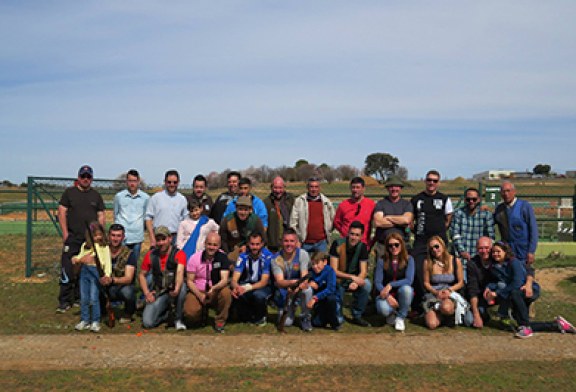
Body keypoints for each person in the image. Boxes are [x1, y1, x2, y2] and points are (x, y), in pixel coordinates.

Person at [485, 241, 575, 338]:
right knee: (521, 323)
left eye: (498, 251)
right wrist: (489, 288)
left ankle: (525, 327)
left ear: (505, 252)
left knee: (515, 295)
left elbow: (517, 282)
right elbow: (498, 281)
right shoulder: (495, 267)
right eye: (493, 252)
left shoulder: (514, 263)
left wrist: (497, 293)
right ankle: (557, 325)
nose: (495, 254)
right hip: (515, 293)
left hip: (528, 290)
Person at [57, 165, 105, 313]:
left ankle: (79, 297)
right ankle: (64, 300)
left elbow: (101, 215)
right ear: (78, 178)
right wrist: (65, 232)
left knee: (85, 269)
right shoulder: (69, 193)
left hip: (89, 240)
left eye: (88, 177)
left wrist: (100, 234)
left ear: (91, 179)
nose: (85, 179)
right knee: (67, 268)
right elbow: (62, 211)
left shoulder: (96, 195)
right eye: (83, 176)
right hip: (73, 237)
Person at [411, 170, 453, 313]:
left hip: (439, 242)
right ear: (425, 181)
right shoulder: (416, 199)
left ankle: (443, 301)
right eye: (429, 180)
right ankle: (421, 303)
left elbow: (448, 219)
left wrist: (438, 233)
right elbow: (411, 221)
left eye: (435, 181)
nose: (432, 183)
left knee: (439, 272)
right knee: (418, 271)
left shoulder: (444, 199)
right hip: (421, 242)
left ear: (438, 183)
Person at [138, 226, 188, 330]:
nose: (161, 243)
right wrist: (147, 293)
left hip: (175, 291)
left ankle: (178, 319)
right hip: (160, 292)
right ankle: (166, 316)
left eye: (163, 239)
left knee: (183, 287)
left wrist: (177, 288)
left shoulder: (179, 254)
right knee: (148, 323)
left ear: (170, 238)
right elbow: (141, 275)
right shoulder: (151, 255)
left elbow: (180, 272)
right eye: (158, 240)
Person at [183, 232, 232, 333]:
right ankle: (200, 316)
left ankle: (220, 321)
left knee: (226, 293)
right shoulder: (194, 258)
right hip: (198, 289)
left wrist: (214, 288)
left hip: (216, 289)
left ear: (219, 246)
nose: (211, 247)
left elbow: (224, 279)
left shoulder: (222, 257)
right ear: (204, 244)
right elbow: (189, 281)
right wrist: (199, 294)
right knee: (190, 314)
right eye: (209, 244)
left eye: (215, 245)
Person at [329, 221, 372, 327]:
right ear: (348, 233)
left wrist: (357, 282)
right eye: (352, 234)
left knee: (366, 284)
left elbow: (363, 271)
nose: (353, 237)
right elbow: (334, 270)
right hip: (339, 278)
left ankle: (357, 315)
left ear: (361, 236)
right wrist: (352, 277)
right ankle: (338, 315)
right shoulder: (338, 244)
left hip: (353, 280)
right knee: (338, 321)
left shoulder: (362, 247)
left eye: (357, 235)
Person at [72, 222, 111, 333]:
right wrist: (76, 259)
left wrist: (107, 274)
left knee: (94, 298)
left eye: (100, 235)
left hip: (96, 272)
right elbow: (80, 256)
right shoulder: (85, 246)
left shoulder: (104, 247)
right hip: (85, 271)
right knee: (84, 297)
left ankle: (95, 321)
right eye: (95, 235)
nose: (98, 237)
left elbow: (107, 262)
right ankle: (85, 320)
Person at [271, 228, 313, 332]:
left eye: (292, 241)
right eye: (286, 241)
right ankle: (291, 307)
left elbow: (304, 278)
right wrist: (292, 284)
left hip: (298, 288)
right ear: (281, 242)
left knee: (308, 290)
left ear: (296, 242)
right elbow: (280, 281)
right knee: (286, 323)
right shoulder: (276, 259)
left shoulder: (303, 254)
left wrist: (296, 287)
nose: (289, 244)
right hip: (284, 291)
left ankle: (305, 317)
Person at [422, 236, 467, 329]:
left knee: (446, 307)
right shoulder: (427, 262)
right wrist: (436, 292)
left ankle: (447, 313)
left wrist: (449, 290)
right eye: (431, 248)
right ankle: (441, 315)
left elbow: (461, 282)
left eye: (436, 246)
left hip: (450, 293)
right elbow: (426, 283)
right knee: (432, 324)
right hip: (434, 294)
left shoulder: (455, 260)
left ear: (442, 246)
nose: (434, 250)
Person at [450, 187, 495, 280]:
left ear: (479, 199)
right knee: (463, 282)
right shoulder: (458, 213)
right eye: (468, 199)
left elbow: (491, 237)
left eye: (474, 199)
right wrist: (462, 251)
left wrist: (485, 253)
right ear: (464, 200)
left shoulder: (486, 215)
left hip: (481, 257)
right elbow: (455, 234)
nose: (471, 201)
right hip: (462, 257)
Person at [374, 233, 415, 331]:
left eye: (396, 244)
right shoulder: (382, 260)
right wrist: (387, 296)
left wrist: (391, 285)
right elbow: (378, 282)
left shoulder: (409, 259)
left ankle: (401, 317)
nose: (394, 247)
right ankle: (392, 313)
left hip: (401, 292)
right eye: (390, 245)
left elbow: (409, 280)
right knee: (383, 309)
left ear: (401, 245)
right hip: (385, 293)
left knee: (407, 289)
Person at [230, 232, 273, 326]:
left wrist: (246, 288)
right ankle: (246, 315)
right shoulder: (243, 256)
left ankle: (261, 317)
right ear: (248, 244)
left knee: (258, 295)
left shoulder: (268, 256)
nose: (255, 247)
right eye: (252, 244)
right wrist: (237, 288)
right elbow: (234, 279)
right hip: (247, 284)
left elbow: (264, 281)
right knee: (235, 293)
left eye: (257, 244)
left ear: (262, 244)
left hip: (263, 286)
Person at [99, 224, 138, 324]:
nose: (115, 239)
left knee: (128, 292)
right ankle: (101, 311)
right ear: (108, 236)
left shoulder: (129, 253)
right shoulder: (102, 250)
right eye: (113, 235)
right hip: (104, 285)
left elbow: (128, 278)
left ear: (123, 237)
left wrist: (112, 280)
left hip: (121, 286)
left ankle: (128, 313)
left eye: (118, 236)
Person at [494, 181, 538, 267]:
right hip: (506, 250)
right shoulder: (499, 209)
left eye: (508, 191)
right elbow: (492, 221)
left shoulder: (524, 207)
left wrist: (531, 251)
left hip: (522, 251)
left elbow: (533, 230)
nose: (506, 194)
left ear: (514, 191)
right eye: (503, 191)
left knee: (523, 276)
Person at [372, 175, 413, 261]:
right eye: (391, 187)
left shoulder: (406, 204)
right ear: (387, 188)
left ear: (400, 188)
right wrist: (400, 221)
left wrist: (388, 217)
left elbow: (406, 220)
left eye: (397, 187)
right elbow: (378, 222)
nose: (394, 189)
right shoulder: (381, 203)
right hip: (383, 245)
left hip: (402, 244)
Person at [290, 177, 335, 253]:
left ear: (319, 188)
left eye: (316, 187)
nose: (314, 189)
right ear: (307, 187)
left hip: (321, 242)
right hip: (304, 242)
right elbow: (293, 223)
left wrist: (329, 231)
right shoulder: (299, 201)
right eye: (311, 187)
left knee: (321, 264)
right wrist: (296, 239)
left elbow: (333, 219)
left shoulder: (326, 202)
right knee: (303, 264)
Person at [113, 169, 150, 262]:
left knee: (133, 263)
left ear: (138, 182)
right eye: (130, 181)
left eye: (134, 181)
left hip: (137, 236)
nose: (132, 184)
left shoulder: (145, 198)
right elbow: (116, 213)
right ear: (126, 182)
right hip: (122, 237)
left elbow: (146, 215)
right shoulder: (119, 196)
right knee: (120, 262)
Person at [145, 170, 188, 248]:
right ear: (165, 182)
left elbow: (186, 219)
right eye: (169, 182)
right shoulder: (156, 198)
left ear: (178, 182)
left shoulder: (182, 199)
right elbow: (148, 218)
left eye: (175, 182)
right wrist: (152, 238)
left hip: (176, 237)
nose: (172, 184)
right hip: (159, 237)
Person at [219, 195, 266, 261]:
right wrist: (228, 254)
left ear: (250, 210)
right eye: (240, 209)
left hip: (251, 250)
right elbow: (223, 240)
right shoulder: (228, 220)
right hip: (232, 250)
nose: (243, 213)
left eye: (246, 210)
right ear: (236, 208)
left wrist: (248, 248)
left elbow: (263, 239)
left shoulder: (256, 221)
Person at [465, 236, 497, 328]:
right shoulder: (472, 264)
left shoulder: (497, 260)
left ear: (492, 248)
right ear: (477, 249)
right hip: (479, 296)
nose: (484, 251)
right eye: (481, 248)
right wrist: (476, 315)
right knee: (469, 321)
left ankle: (505, 314)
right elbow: (472, 290)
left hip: (496, 294)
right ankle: (480, 312)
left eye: (487, 248)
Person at [333, 177, 375, 246]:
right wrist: (345, 232)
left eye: (358, 187)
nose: (355, 190)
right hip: (346, 243)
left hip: (363, 244)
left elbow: (375, 222)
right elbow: (337, 222)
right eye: (353, 187)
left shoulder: (371, 204)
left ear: (363, 189)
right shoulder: (343, 205)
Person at [306, 252, 341, 331]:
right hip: (320, 302)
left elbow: (331, 289)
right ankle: (321, 317)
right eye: (313, 264)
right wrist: (309, 283)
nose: (315, 266)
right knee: (316, 323)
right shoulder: (311, 272)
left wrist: (315, 298)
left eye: (317, 263)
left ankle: (334, 322)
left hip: (330, 298)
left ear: (325, 262)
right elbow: (304, 282)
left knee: (331, 299)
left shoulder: (330, 271)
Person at [264, 176, 295, 252]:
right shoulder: (266, 202)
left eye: (280, 188)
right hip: (272, 245)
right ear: (271, 188)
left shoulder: (291, 199)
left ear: (284, 187)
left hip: (289, 243)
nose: (278, 191)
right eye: (275, 188)